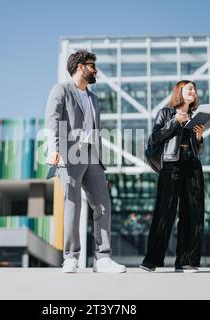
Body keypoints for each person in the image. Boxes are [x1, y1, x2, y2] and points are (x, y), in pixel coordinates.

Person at [45, 50, 126, 273]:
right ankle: (71, 256)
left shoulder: (93, 98)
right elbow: (51, 120)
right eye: (92, 65)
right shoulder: (61, 89)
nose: (95, 70)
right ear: (81, 67)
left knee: (103, 205)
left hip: (93, 156)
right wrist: (53, 149)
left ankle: (103, 259)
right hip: (69, 154)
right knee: (73, 205)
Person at [140, 80, 205, 273]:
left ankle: (186, 261)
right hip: (171, 163)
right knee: (164, 211)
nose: (193, 91)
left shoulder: (196, 116)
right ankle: (151, 260)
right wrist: (175, 121)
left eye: (194, 89)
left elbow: (198, 149)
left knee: (193, 212)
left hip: (192, 163)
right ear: (179, 92)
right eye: (189, 88)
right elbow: (154, 138)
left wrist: (200, 137)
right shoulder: (166, 113)